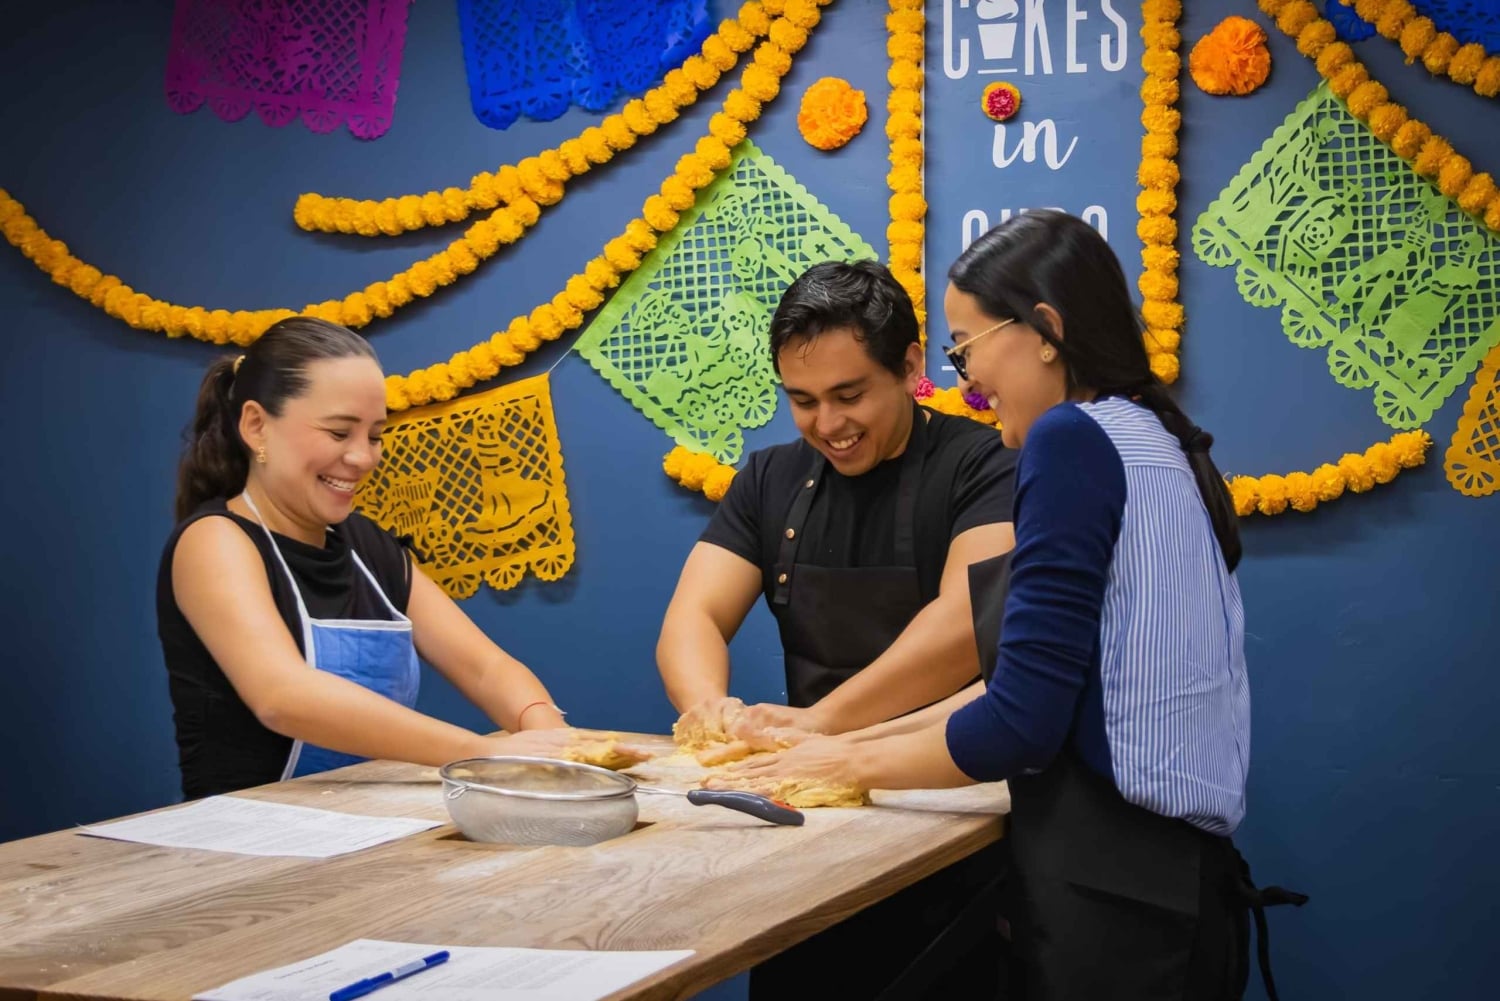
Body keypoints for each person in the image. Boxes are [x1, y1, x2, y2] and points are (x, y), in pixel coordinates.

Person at [727, 211, 1305, 1000]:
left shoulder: (1071, 440)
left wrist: (843, 762)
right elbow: (1047, 687)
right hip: (1183, 893)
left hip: (1110, 900)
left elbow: (1019, 722)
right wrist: (828, 734)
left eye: (966, 345)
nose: (965, 379)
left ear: (1044, 329)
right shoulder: (1152, 437)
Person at [656, 260, 1020, 997]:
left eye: (849, 395)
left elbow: (959, 627)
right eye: (803, 400)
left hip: (946, 818)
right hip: (804, 837)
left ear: (911, 367)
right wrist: (708, 708)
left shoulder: (986, 466)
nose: (828, 424)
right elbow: (692, 617)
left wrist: (823, 727)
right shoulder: (768, 479)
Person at [158, 317, 591, 800]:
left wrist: (551, 736)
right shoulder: (215, 542)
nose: (363, 458)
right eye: (340, 433)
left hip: (363, 824)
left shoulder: (367, 546)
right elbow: (283, 697)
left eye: (375, 435)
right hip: (241, 842)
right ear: (257, 426)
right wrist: (481, 754)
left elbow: (484, 666)